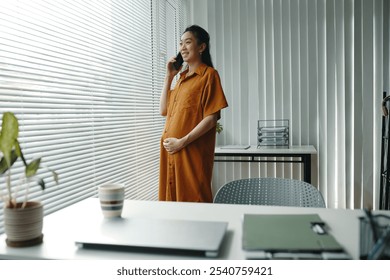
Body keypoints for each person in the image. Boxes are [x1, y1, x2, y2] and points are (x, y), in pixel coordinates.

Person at [159, 25, 228, 203]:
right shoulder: (181, 80)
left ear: (201, 47)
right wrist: (169, 77)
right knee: (172, 212)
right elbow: (163, 110)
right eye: (181, 43)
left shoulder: (209, 76)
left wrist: (181, 142)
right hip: (170, 156)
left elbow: (211, 118)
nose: (182, 47)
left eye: (187, 42)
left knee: (194, 206)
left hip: (190, 156)